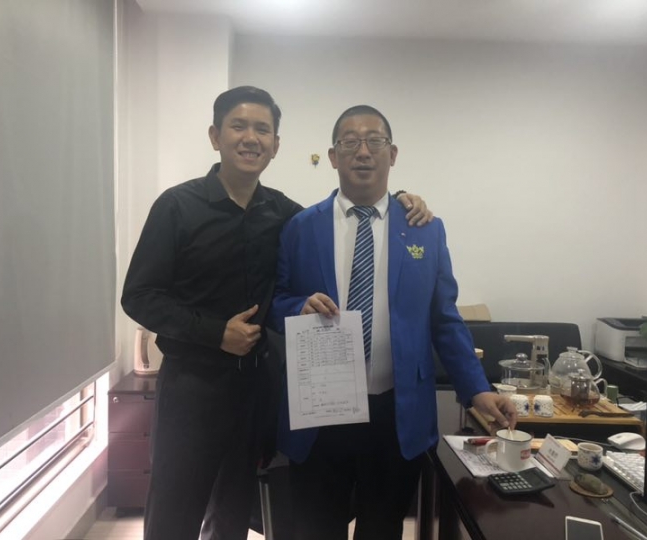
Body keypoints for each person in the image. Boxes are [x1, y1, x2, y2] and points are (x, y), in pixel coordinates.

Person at [121, 87, 433, 540]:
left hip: (256, 388)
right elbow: (139, 296)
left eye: (262, 129)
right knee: (175, 509)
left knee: (233, 510)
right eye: (239, 126)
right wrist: (215, 333)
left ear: (276, 144)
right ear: (215, 136)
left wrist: (400, 200)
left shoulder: (284, 214)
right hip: (192, 386)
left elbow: (344, 219)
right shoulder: (177, 206)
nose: (251, 138)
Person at [270, 105, 518, 540]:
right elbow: (275, 300)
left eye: (375, 141)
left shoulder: (425, 229)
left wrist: (477, 389)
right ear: (333, 157)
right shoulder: (300, 228)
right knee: (314, 530)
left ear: (393, 153)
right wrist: (297, 307)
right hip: (321, 413)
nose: (363, 151)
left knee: (383, 530)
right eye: (350, 142)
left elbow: (444, 318)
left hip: (396, 415)